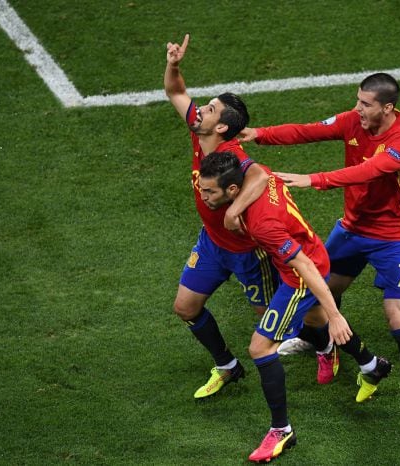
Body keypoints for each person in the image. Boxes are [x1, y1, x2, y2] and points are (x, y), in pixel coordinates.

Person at [240, 72, 400, 435]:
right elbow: (307, 130)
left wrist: (313, 179)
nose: (357, 108)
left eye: (366, 104)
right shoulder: (354, 120)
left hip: (393, 237)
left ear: (388, 107)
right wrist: (259, 134)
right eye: (357, 100)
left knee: (397, 317)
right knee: (321, 289)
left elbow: (366, 172)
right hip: (351, 229)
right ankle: (323, 341)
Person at [198, 150, 390, 462]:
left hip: (300, 274)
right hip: (300, 256)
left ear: (233, 190)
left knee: (261, 348)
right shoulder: (258, 177)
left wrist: (336, 313)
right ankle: (371, 365)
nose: (202, 196)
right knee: (311, 324)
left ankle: (282, 431)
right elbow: (258, 171)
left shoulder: (262, 224)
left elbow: (303, 265)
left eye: (209, 191)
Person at [164, 34, 279, 399]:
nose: (200, 111)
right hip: (212, 244)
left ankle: (330, 343)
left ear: (223, 127)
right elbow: (175, 92)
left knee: (278, 321)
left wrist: (235, 210)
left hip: (249, 252)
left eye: (209, 110)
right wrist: (174, 64)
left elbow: (261, 175)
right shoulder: (200, 134)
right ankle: (227, 366)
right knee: (185, 307)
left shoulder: (230, 155)